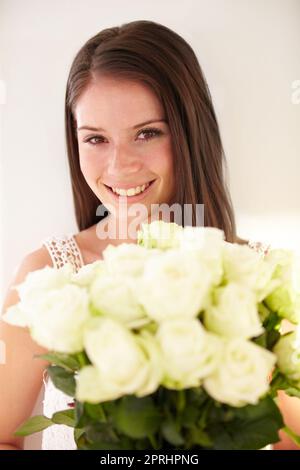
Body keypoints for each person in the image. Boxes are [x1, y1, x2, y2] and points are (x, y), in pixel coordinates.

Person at [0, 19, 299, 450]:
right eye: (96, 139)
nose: (120, 167)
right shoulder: (48, 280)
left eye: (147, 133)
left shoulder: (259, 279)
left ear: (189, 131)